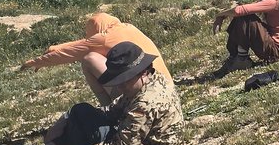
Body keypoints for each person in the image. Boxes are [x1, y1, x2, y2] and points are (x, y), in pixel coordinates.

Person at [0, 41, 183, 145]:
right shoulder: (153, 81)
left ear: (142, 72)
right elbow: (111, 111)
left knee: (88, 124)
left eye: (123, 81)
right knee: (82, 112)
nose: (119, 87)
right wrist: (69, 118)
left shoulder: (146, 103)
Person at [19, 11, 172, 106]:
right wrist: (53, 48)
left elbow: (69, 53)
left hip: (143, 92)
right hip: (165, 87)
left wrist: (33, 62)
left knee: (89, 59)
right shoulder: (129, 28)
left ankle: (109, 109)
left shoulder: (102, 39)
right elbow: (76, 45)